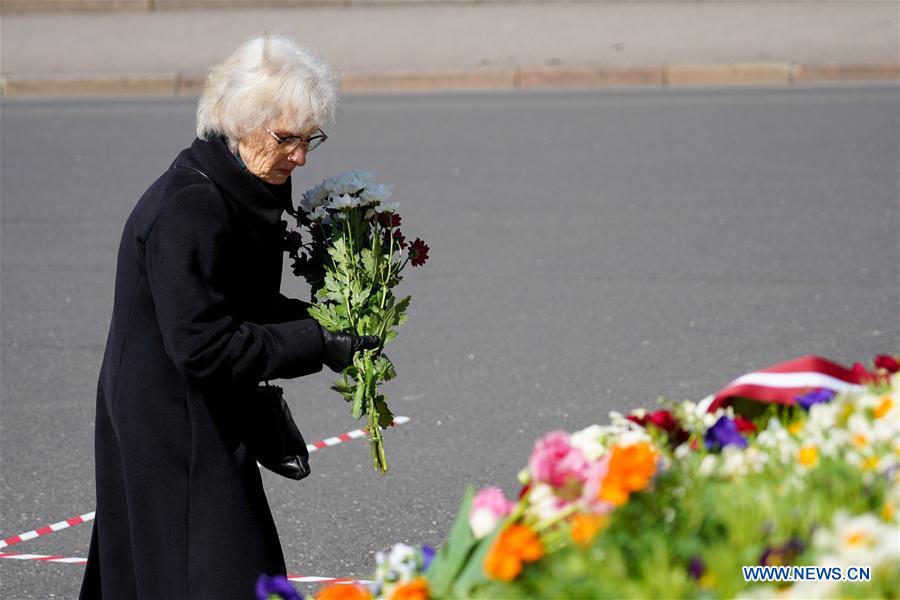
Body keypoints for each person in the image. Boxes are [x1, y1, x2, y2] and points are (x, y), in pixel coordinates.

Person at [79, 36, 379, 600]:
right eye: (287, 138)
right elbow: (204, 347)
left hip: (190, 403)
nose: (301, 157)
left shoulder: (240, 183)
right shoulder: (189, 207)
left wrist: (331, 321)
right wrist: (316, 340)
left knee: (181, 571)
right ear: (240, 125)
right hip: (170, 419)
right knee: (219, 573)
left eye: (309, 138)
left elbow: (245, 301)